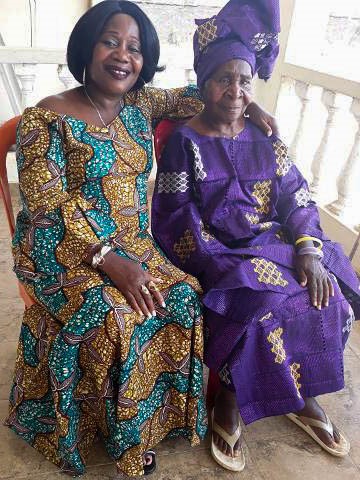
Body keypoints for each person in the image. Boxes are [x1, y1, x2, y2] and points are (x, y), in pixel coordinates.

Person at [4, 0, 279, 477]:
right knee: (117, 316)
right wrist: (109, 260)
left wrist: (249, 101)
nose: (122, 55)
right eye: (110, 41)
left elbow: (206, 93)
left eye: (134, 47)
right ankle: (110, 434)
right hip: (59, 249)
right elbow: (49, 207)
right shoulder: (45, 117)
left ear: (144, 59)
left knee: (184, 296)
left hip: (131, 240)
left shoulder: (142, 106)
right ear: (88, 49)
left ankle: (154, 421)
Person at [152, 0, 360, 473]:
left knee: (326, 296)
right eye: (224, 78)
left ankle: (300, 395)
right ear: (204, 83)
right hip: (218, 250)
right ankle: (229, 400)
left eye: (245, 80)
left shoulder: (267, 137)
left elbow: (298, 198)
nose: (235, 90)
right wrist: (215, 258)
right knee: (259, 306)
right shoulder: (187, 142)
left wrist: (307, 251)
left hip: (278, 244)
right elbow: (174, 218)